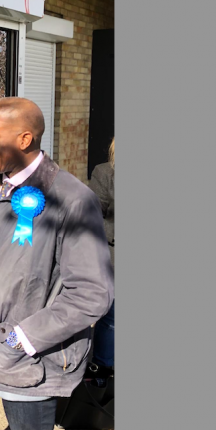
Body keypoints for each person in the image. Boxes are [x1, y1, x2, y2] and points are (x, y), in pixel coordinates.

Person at [0, 97, 114, 430]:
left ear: (24, 140)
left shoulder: (72, 200)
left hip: (26, 357)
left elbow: (92, 294)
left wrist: (20, 341)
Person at [87, 137, 115, 379]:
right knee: (113, 319)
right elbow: (93, 217)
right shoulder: (105, 173)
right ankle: (101, 373)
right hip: (114, 258)